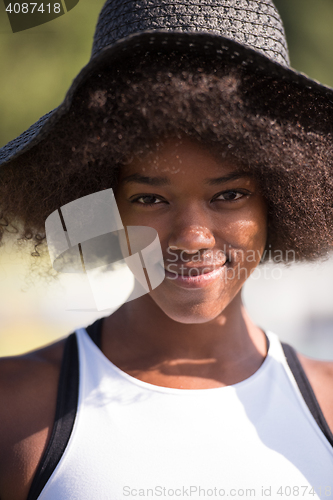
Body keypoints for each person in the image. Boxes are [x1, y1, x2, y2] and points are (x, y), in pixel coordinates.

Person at [0, 1, 333, 499]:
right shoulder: (16, 413)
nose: (193, 236)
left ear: (281, 200)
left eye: (229, 195)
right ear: (103, 206)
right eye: (150, 198)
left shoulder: (328, 407)